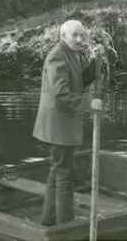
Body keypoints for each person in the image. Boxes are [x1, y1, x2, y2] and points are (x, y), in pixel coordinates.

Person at [32, 19, 106, 226]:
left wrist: (95, 61)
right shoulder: (57, 55)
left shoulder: (72, 53)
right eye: (75, 35)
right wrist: (90, 103)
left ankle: (49, 220)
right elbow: (61, 93)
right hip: (58, 126)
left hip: (62, 125)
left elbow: (79, 81)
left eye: (82, 35)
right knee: (64, 174)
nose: (80, 39)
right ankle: (65, 225)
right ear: (63, 36)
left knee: (58, 171)